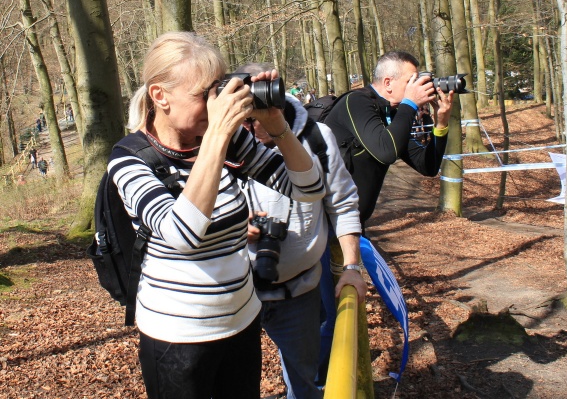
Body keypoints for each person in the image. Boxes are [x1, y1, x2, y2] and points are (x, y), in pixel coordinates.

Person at [108, 32, 325, 399]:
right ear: (160, 96)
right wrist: (218, 135)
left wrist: (276, 125)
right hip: (177, 337)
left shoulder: (229, 142)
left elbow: (310, 187)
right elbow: (184, 234)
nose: (214, 107)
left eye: (217, 92)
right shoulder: (129, 160)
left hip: (241, 321)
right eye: (201, 96)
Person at [237, 63, 367, 399]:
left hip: (300, 291)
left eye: (269, 104)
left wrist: (351, 267)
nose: (262, 119)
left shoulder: (316, 138)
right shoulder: (219, 145)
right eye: (252, 111)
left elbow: (343, 204)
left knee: (304, 380)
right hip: (233, 293)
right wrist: (236, 226)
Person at [323, 50, 454, 229]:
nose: (416, 87)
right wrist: (410, 103)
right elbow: (386, 152)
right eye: (410, 82)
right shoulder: (356, 102)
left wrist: (441, 123)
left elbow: (428, 166)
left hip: (352, 225)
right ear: (388, 83)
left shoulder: (392, 114)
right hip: (326, 224)